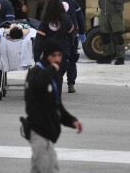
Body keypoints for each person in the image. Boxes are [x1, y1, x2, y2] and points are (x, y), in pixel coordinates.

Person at [23, 40, 83, 173]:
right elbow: (37, 84)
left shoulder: (51, 74)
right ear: (46, 56)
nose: (57, 59)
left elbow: (57, 106)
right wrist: (52, 69)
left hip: (48, 134)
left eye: (59, 55)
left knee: (42, 169)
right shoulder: (36, 73)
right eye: (53, 55)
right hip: (38, 132)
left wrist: (72, 121)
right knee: (49, 170)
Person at [43, 0, 85, 94]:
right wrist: (82, 32)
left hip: (55, 37)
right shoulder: (72, 1)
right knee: (71, 59)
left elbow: (44, 19)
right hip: (72, 34)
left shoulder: (50, 3)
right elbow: (80, 17)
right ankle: (71, 84)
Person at [89, 0, 130, 65]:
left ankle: (120, 57)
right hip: (104, 14)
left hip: (115, 14)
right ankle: (107, 56)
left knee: (117, 36)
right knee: (104, 36)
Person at [34, 0, 73, 95]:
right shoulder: (67, 19)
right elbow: (72, 36)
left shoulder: (45, 21)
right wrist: (71, 50)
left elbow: (39, 40)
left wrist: (36, 57)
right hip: (63, 53)